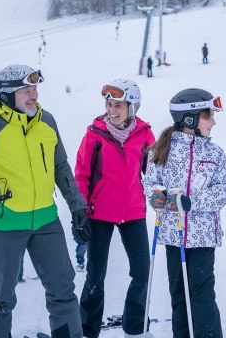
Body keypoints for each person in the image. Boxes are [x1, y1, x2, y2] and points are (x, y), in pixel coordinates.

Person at [0, 64, 91, 338]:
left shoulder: (46, 121)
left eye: (35, 88)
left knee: (63, 290)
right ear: (6, 95)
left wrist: (78, 207)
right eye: (26, 90)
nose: (34, 95)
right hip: (6, 225)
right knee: (1, 299)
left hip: (46, 221)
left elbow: (60, 166)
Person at [143, 88, 226, 338]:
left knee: (202, 295)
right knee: (179, 295)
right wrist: (164, 198)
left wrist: (192, 201)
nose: (213, 122)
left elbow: (225, 191)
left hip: (203, 237)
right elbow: (150, 186)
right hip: (174, 234)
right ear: (190, 119)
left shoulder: (214, 153)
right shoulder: (161, 150)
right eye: (209, 116)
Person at [75, 79, 156, 338]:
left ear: (132, 107)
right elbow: (82, 174)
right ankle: (87, 330)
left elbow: (154, 170)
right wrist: (81, 212)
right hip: (100, 214)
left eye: (118, 105)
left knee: (142, 271)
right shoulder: (94, 134)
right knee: (95, 275)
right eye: (109, 104)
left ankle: (134, 328)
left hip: (133, 212)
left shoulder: (144, 134)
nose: (112, 110)